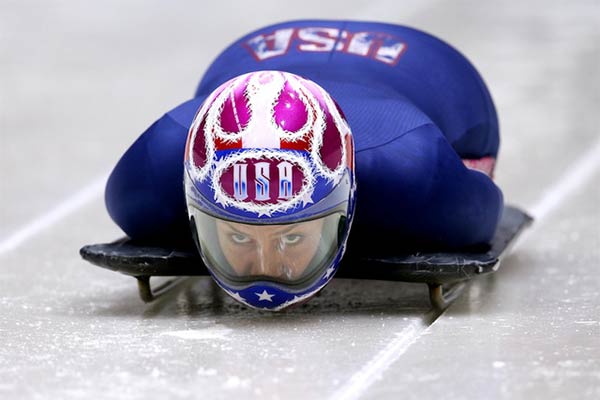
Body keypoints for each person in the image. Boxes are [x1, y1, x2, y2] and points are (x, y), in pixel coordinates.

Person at [105, 20, 504, 310]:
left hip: (433, 70)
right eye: (239, 237)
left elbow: (486, 207)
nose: (267, 269)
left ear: (345, 204)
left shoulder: (414, 170)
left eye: (291, 238)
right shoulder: (150, 174)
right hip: (256, 52)